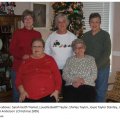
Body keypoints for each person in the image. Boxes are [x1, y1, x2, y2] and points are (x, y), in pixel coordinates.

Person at [9, 9, 42, 102]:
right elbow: (11, 49)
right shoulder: (17, 33)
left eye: (30, 18)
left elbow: (39, 49)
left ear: (33, 20)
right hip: (18, 68)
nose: (28, 20)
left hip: (32, 68)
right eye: (25, 18)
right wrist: (22, 55)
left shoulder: (37, 34)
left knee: (29, 93)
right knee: (17, 94)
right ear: (23, 21)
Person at [45, 13, 77, 95]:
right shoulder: (51, 37)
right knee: (54, 92)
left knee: (68, 93)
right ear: (56, 24)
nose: (61, 24)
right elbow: (46, 53)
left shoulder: (73, 37)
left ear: (67, 23)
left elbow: (76, 54)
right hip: (54, 69)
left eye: (63, 21)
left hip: (69, 70)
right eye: (59, 22)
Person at [82, 13, 111, 102]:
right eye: (92, 22)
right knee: (90, 91)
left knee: (100, 92)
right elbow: (83, 52)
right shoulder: (85, 36)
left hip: (102, 68)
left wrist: (94, 66)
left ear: (100, 23)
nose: (94, 24)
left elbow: (107, 53)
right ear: (89, 23)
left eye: (97, 22)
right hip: (88, 68)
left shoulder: (105, 35)